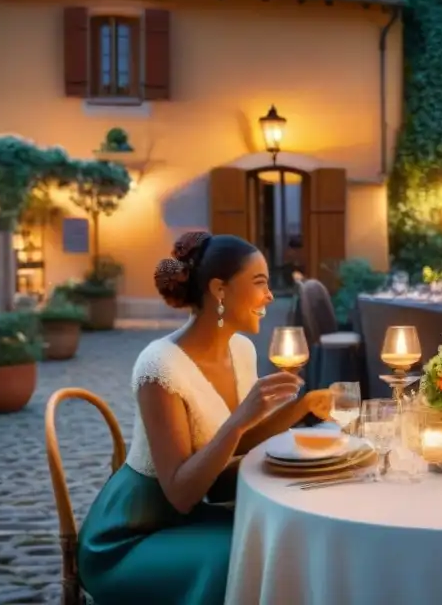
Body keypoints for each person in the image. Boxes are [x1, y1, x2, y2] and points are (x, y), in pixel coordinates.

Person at [77, 232, 333, 605]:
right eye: (259, 283)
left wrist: (302, 406)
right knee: (236, 557)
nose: (270, 296)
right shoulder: (159, 367)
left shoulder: (241, 349)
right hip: (133, 534)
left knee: (284, 539)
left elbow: (233, 444)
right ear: (220, 290)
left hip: (193, 516)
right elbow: (181, 493)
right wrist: (241, 418)